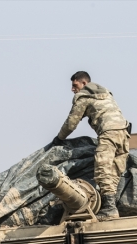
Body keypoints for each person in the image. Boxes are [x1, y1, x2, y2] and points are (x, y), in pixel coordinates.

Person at [53, 71, 130, 221]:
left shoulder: (83, 96)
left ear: (84, 83)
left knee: (102, 168)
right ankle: (111, 208)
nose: (72, 89)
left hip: (108, 133)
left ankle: (109, 208)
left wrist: (59, 138)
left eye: (75, 85)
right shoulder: (106, 93)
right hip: (124, 133)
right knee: (114, 172)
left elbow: (71, 122)